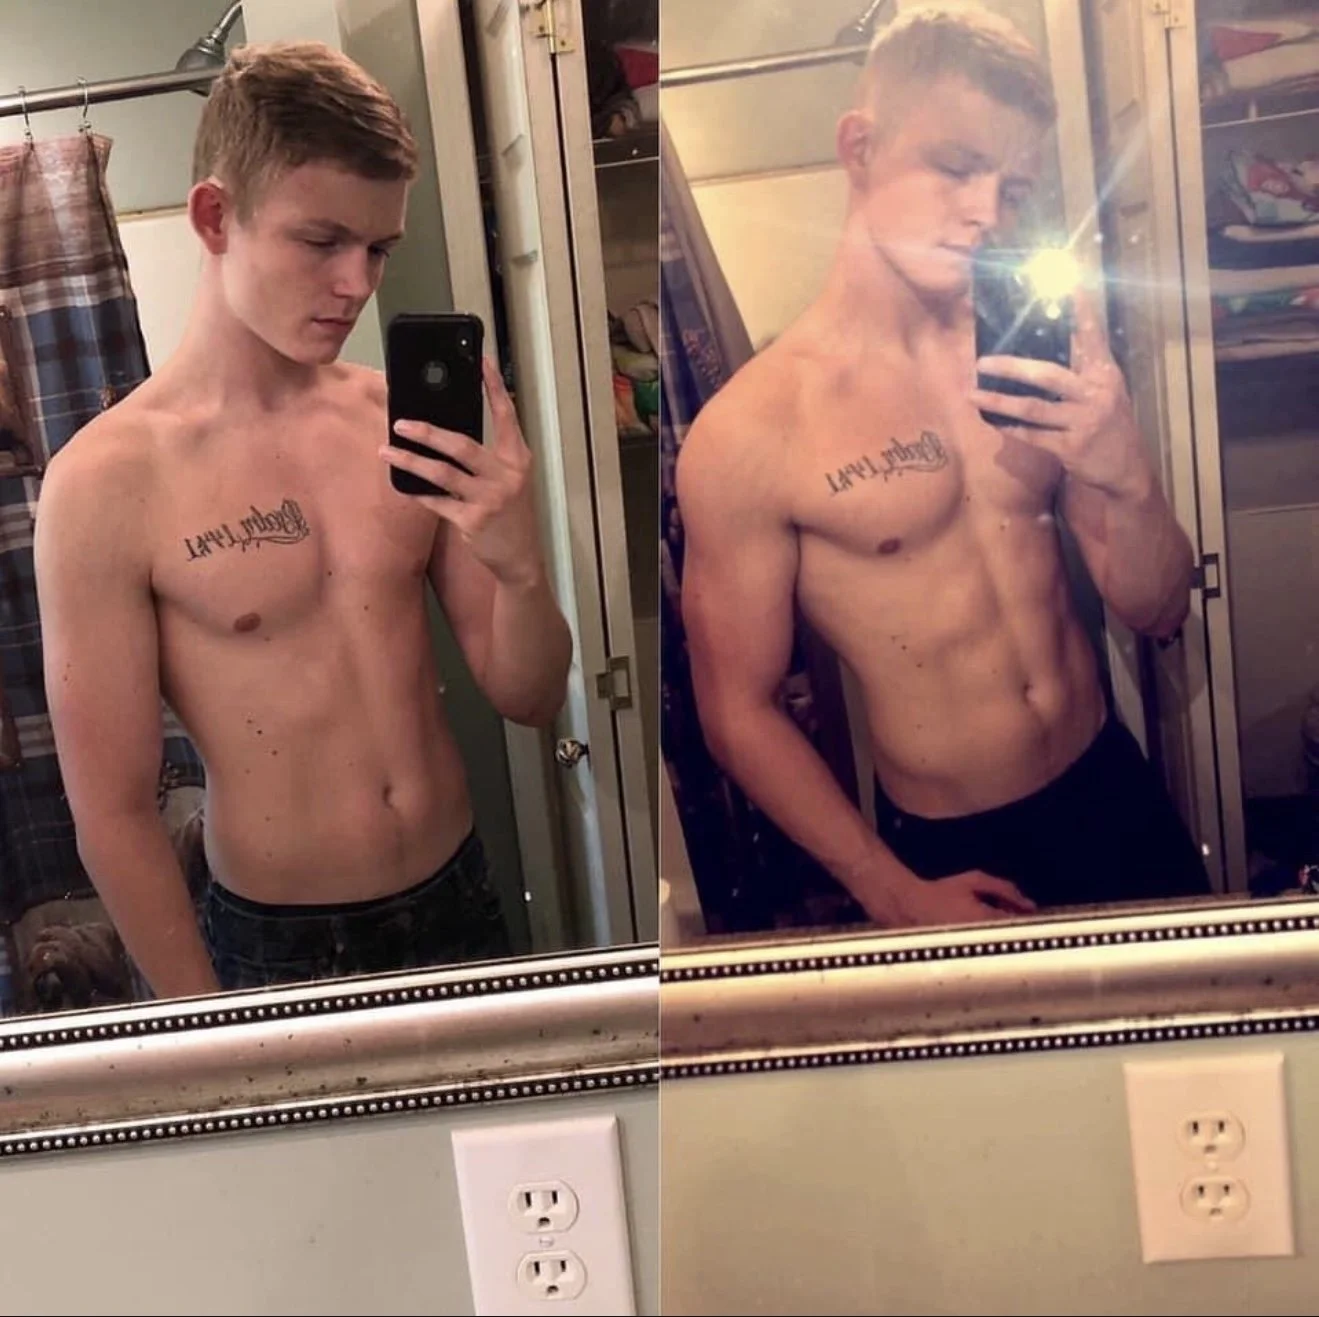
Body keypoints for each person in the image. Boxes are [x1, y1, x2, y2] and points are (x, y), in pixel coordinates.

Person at [35, 41, 572, 996]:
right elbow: (113, 813)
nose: (358, 283)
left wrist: (522, 566)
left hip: (459, 890)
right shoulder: (105, 483)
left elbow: (529, 696)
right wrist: (205, 1027)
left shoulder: (396, 423)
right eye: (322, 242)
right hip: (278, 941)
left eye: (378, 248)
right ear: (215, 216)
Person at [675, 6, 1211, 929]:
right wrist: (884, 885)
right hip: (950, 848)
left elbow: (1157, 610)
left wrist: (1125, 469)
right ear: (860, 147)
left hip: (1110, 785)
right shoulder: (748, 432)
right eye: (957, 167)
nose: (985, 213)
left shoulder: (1038, 360)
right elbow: (735, 707)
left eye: (1012, 187)